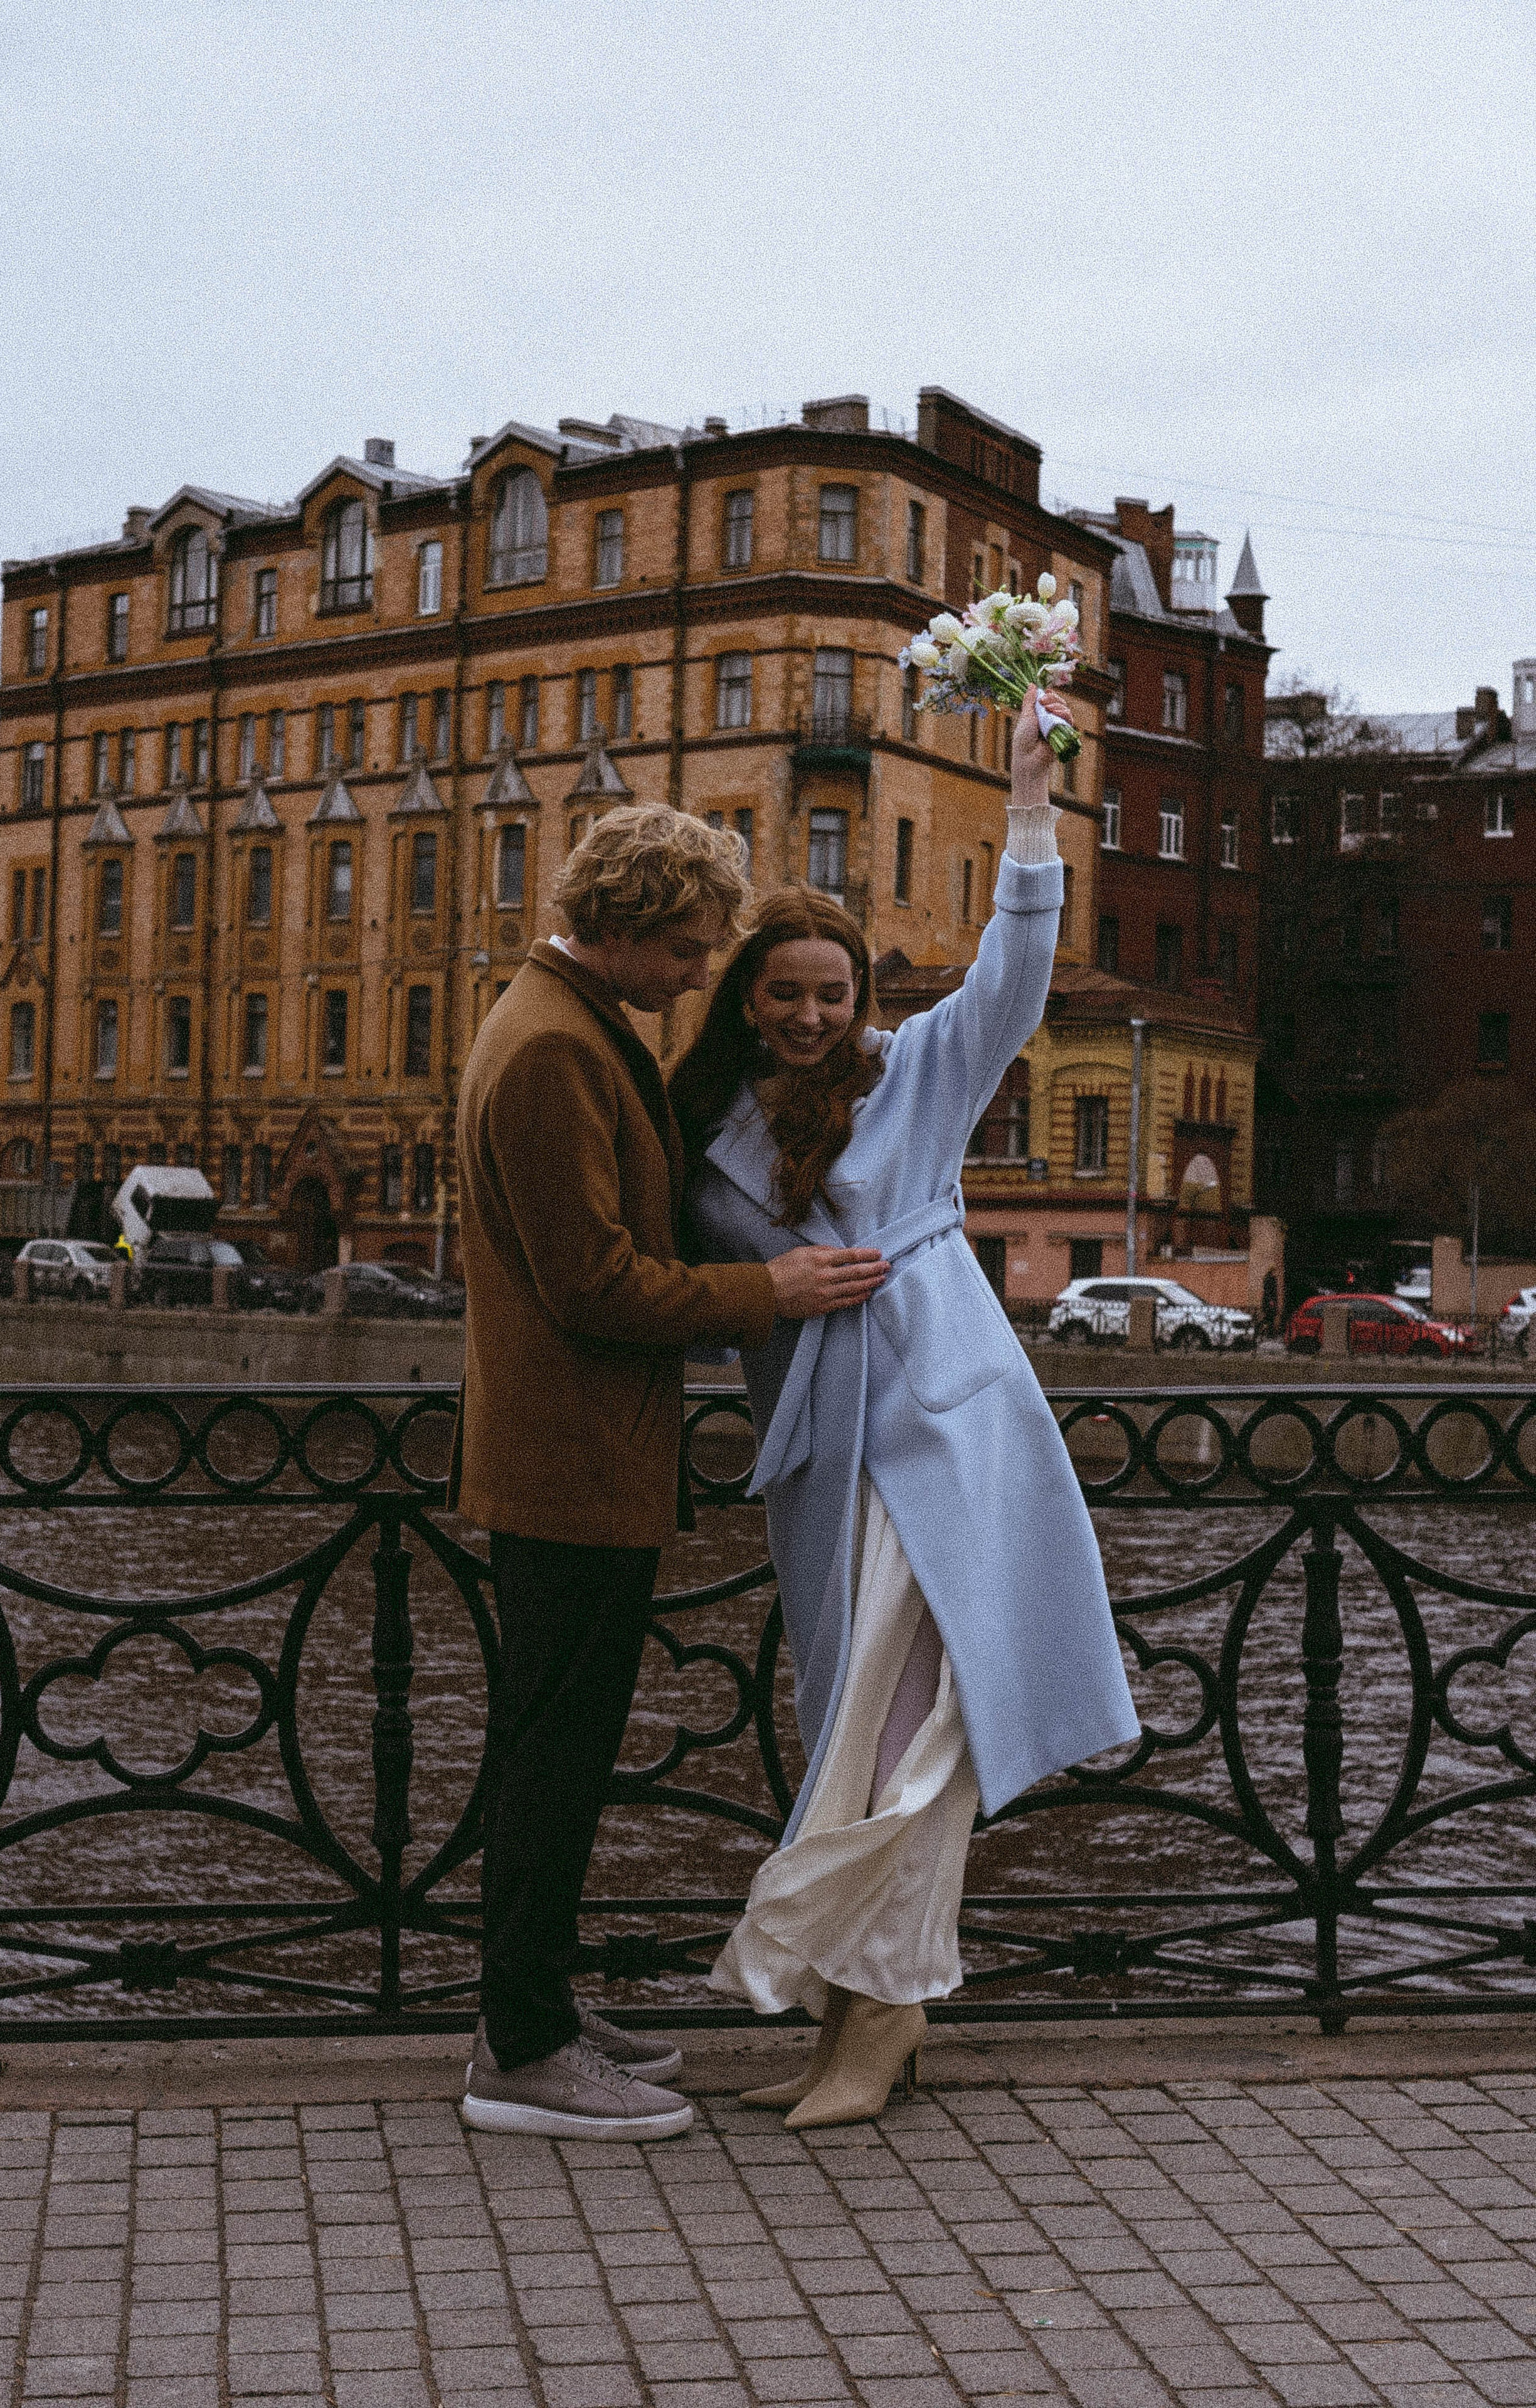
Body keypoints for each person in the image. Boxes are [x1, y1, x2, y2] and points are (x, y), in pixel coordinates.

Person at [670, 690, 1140, 2127]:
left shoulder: (916, 1078)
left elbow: (1012, 970)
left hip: (941, 1418)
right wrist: (778, 1292)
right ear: (745, 998)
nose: (812, 1015)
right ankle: (857, 2010)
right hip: (823, 1451)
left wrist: (1023, 806)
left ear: (861, 1001)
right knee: (852, 1722)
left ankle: (882, 2016)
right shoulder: (706, 1136)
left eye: (834, 993)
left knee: (913, 1731)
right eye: (784, 992)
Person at [451, 803, 887, 2142]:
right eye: (691, 949)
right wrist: (768, 1286)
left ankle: (531, 2003)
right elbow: (591, 1282)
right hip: (568, 1461)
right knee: (550, 1758)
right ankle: (519, 2052)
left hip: (581, 1456)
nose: (703, 973)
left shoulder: (566, 1022)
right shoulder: (552, 1052)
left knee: (559, 1750)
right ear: (629, 931)